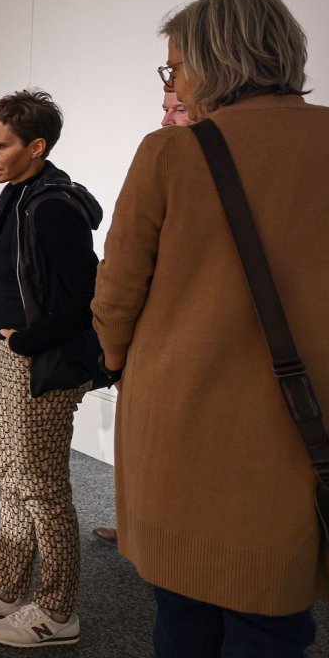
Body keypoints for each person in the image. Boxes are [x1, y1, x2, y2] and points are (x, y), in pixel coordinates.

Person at [93, 0, 329, 658]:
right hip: (309, 428)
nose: (173, 81)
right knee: (273, 629)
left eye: (174, 66)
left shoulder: (171, 152)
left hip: (186, 425)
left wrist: (114, 363)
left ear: (213, 61)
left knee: (187, 612)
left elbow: (117, 293)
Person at [0, 90, 102, 648]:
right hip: (10, 355)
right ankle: (6, 589)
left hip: (43, 362)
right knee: (10, 478)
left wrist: (27, 340)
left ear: (37, 146)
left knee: (43, 488)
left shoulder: (54, 206)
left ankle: (57, 611)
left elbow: (84, 300)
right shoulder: (18, 192)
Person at [92, 86, 191, 546]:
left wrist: (113, 356)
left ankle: (150, 536)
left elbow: (123, 271)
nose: (168, 119)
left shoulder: (165, 154)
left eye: (179, 108)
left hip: (174, 348)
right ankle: (139, 527)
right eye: (165, 109)